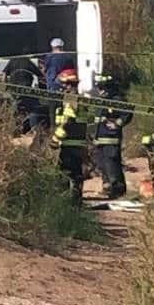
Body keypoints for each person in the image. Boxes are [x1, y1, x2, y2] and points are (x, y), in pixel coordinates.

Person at [51, 68, 91, 206]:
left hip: (70, 143)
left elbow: (68, 120)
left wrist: (56, 138)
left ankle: (67, 202)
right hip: (78, 143)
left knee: (64, 174)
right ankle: (76, 201)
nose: (61, 87)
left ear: (68, 84)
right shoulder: (80, 99)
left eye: (63, 84)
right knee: (76, 173)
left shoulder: (71, 99)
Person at [93, 73, 133, 199]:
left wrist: (117, 123)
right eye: (98, 86)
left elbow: (127, 113)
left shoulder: (117, 100)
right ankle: (107, 187)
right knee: (102, 164)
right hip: (99, 139)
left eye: (101, 87)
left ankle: (118, 190)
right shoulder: (102, 100)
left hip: (111, 139)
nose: (99, 89)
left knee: (112, 165)